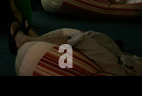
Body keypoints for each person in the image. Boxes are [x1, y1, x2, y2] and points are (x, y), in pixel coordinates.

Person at [9, 21, 142, 76]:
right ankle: (35, 37)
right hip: (129, 60)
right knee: (93, 35)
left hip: (125, 68)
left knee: (80, 38)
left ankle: (28, 39)